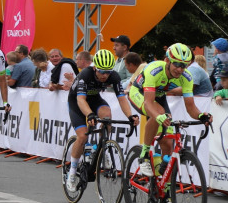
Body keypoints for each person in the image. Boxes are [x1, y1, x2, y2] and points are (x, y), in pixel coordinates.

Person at [126, 43, 211, 180]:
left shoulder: (186, 77)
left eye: (184, 65)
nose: (179, 69)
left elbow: (191, 108)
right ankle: (144, 154)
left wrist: (201, 116)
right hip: (139, 93)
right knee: (158, 113)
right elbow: (148, 103)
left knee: (167, 142)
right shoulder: (154, 70)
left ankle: (164, 186)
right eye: (176, 64)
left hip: (159, 96)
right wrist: (157, 116)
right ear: (167, 61)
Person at [65, 49, 139, 190]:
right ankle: (72, 173)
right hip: (77, 102)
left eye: (108, 72)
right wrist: (90, 115)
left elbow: (122, 98)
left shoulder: (114, 76)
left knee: (107, 115)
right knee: (82, 136)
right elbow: (81, 100)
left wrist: (130, 115)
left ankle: (102, 148)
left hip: (95, 99)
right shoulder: (85, 74)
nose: (105, 75)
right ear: (94, 68)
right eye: (101, 72)